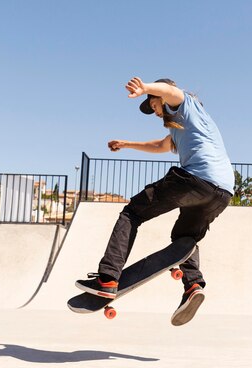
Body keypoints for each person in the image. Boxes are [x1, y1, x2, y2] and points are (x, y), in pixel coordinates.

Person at [77, 77, 234, 326]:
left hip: (195, 180)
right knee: (185, 238)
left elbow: (171, 91)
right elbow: (161, 146)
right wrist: (127, 144)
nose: (154, 110)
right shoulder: (186, 126)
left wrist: (146, 89)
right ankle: (193, 286)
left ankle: (107, 278)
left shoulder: (185, 104)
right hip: (222, 192)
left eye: (153, 105)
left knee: (132, 213)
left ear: (161, 97)